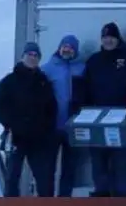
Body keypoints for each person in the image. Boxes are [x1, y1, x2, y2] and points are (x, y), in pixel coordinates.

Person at [78, 22, 126, 197]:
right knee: (99, 162)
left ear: (117, 38)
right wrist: (82, 111)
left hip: (122, 122)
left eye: (111, 37)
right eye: (105, 37)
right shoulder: (94, 61)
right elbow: (85, 89)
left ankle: (123, 198)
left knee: (122, 163)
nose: (108, 40)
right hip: (97, 123)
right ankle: (102, 195)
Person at [0, 42, 59, 197]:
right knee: (12, 179)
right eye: (29, 55)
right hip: (16, 138)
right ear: (23, 57)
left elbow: (51, 108)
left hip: (39, 139)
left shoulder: (43, 82)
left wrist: (47, 129)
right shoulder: (9, 82)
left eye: (36, 56)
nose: (32, 58)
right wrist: (12, 124)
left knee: (44, 180)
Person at [39, 34, 86, 196]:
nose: (67, 50)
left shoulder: (82, 68)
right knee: (47, 169)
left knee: (70, 169)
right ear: (59, 48)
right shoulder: (47, 69)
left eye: (71, 47)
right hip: (52, 126)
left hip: (74, 127)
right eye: (64, 46)